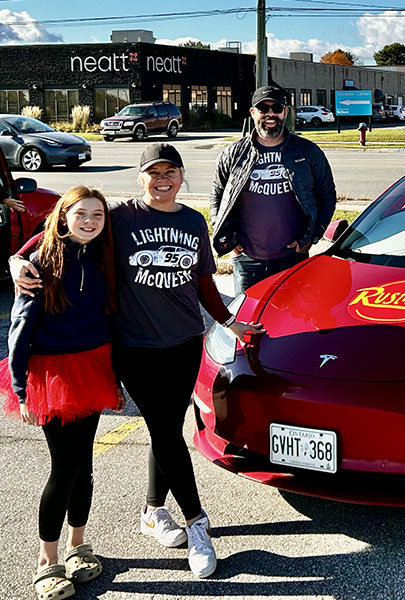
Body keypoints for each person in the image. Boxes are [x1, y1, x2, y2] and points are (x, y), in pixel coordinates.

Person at [11, 144, 263, 580]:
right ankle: (197, 524)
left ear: (182, 177)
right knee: (166, 432)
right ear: (141, 177)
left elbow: (204, 281)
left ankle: (151, 511)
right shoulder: (121, 216)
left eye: (170, 171)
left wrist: (228, 323)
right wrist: (17, 259)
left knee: (165, 428)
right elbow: (60, 227)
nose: (161, 179)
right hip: (133, 346)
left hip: (183, 341)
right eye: (153, 172)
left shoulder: (191, 220)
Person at [1, 186, 121, 599]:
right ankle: (46, 560)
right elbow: (19, 330)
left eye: (98, 215)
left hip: (93, 366)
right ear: (63, 215)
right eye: (81, 214)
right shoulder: (40, 262)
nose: (89, 222)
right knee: (64, 467)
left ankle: (77, 545)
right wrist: (20, 391)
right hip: (51, 373)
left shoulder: (103, 253)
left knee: (84, 465)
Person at [210, 85, 337, 295]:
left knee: (292, 320)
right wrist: (227, 239)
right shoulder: (233, 154)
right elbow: (217, 195)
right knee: (248, 323)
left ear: (285, 112)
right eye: (263, 108)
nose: (270, 114)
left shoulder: (307, 151)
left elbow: (327, 195)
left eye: (276, 108)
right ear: (253, 113)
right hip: (247, 260)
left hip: (292, 258)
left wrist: (312, 236)